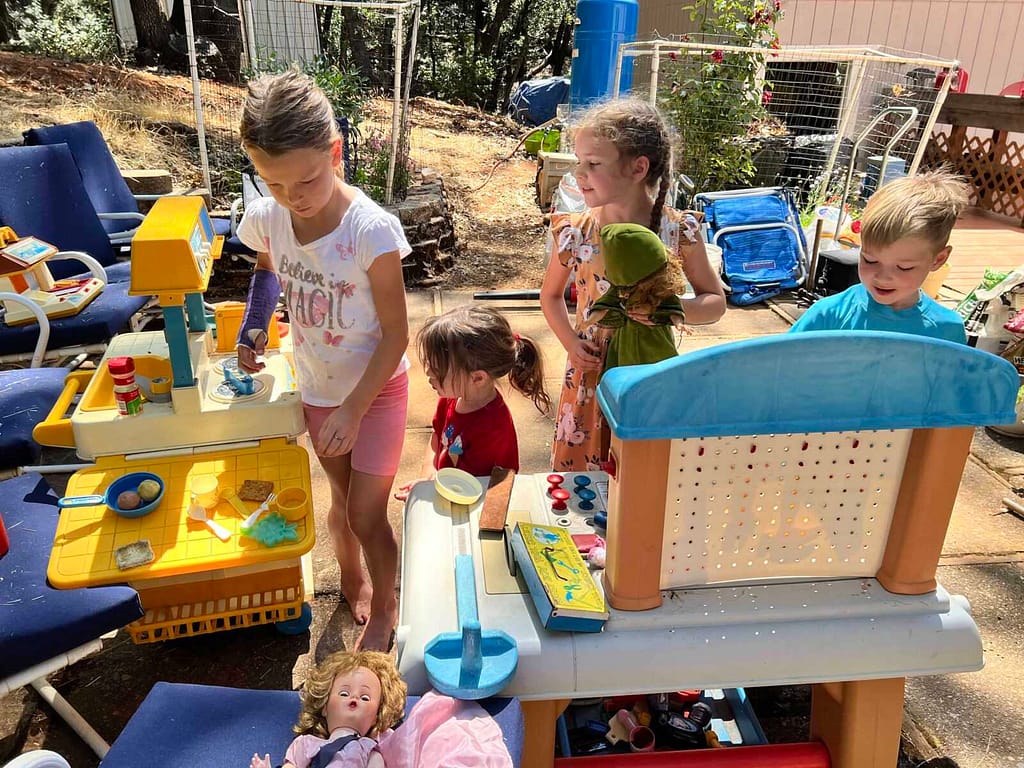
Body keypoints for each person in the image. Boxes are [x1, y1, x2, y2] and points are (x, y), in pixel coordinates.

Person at [235, 70, 411, 651]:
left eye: (306, 179)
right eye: (273, 183)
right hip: (318, 388)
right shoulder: (268, 216)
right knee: (338, 503)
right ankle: (353, 584)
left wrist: (356, 409)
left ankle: (386, 607)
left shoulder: (370, 230)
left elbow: (395, 336)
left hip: (375, 393)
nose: (293, 197)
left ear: (335, 152)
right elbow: (265, 272)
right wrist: (254, 328)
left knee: (366, 513)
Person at [540, 98, 726, 472]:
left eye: (593, 164)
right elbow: (551, 296)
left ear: (638, 167)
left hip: (650, 376)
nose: (579, 173)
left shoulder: (677, 231)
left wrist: (668, 310)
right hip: (589, 377)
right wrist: (570, 342)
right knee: (581, 487)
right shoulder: (576, 232)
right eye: (579, 162)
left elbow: (715, 302)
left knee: (643, 476)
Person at [790, 170, 969, 343]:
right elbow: (781, 360)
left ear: (938, 259)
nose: (883, 277)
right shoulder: (829, 314)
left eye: (904, 267)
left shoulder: (946, 330)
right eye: (870, 260)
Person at [395, 306, 549, 500]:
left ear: (477, 378)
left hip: (472, 504)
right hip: (448, 493)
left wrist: (432, 490)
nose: (428, 373)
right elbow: (437, 437)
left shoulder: (492, 428)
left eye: (438, 369)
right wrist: (428, 474)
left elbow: (476, 489)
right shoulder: (450, 398)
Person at [250, 650, 407, 768]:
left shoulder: (369, 749)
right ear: (324, 707)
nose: (354, 698)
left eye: (365, 697)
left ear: (376, 716)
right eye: (344, 693)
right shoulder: (307, 744)